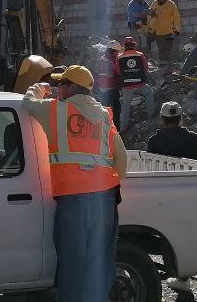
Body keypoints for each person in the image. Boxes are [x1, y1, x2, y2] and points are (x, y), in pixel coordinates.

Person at [22, 65, 128, 302]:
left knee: (72, 264)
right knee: (98, 263)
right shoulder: (103, 115)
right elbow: (121, 160)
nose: (58, 88)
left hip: (72, 199)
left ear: (72, 87)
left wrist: (39, 88)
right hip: (104, 198)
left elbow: (27, 102)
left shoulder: (54, 110)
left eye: (62, 84)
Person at [145, 101, 197, 296]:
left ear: (162, 119)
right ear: (180, 118)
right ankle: (185, 277)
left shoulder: (154, 141)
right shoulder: (193, 139)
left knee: (168, 236)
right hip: (192, 196)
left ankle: (174, 273)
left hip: (165, 197)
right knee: (188, 233)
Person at [116, 36, 156, 132]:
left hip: (126, 86)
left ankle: (123, 127)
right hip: (140, 84)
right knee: (149, 92)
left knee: (125, 105)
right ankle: (151, 114)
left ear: (124, 46)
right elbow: (146, 69)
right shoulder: (140, 55)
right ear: (134, 45)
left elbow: (118, 72)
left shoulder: (120, 57)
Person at [147, 0, 181, 67]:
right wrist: (150, 14)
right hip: (155, 30)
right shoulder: (155, 3)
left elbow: (176, 17)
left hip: (166, 31)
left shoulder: (171, 5)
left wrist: (177, 30)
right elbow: (150, 15)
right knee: (153, 47)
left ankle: (165, 65)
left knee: (165, 49)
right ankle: (152, 63)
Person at [95, 41, 122, 125]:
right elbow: (111, 74)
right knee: (116, 109)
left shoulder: (102, 59)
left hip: (102, 89)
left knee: (105, 109)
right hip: (110, 88)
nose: (117, 54)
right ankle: (116, 128)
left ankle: (104, 127)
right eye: (117, 52)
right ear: (113, 51)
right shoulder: (110, 61)